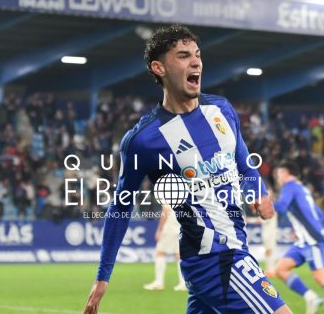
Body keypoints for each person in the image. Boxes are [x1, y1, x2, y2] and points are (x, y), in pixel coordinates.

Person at [84, 24, 292, 314]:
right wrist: (103, 276)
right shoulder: (143, 139)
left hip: (225, 253)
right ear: (159, 68)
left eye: (197, 54)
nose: (195, 62)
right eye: (183, 56)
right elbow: (121, 206)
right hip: (217, 260)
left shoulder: (221, 110)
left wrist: (257, 190)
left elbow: (243, 161)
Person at [273, 162, 324, 314]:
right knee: (281, 269)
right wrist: (299, 229)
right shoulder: (302, 188)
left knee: (320, 277)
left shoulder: (289, 186)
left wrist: (264, 201)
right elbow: (319, 214)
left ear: (285, 173)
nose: (278, 177)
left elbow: (281, 207)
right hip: (303, 241)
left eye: (279, 173)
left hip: (312, 240)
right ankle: (311, 298)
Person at [143, 205, 187, 291]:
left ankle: (159, 282)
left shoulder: (167, 193)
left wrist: (159, 229)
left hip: (170, 227)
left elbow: (165, 211)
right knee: (179, 255)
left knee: (160, 253)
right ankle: (183, 282)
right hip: (180, 226)